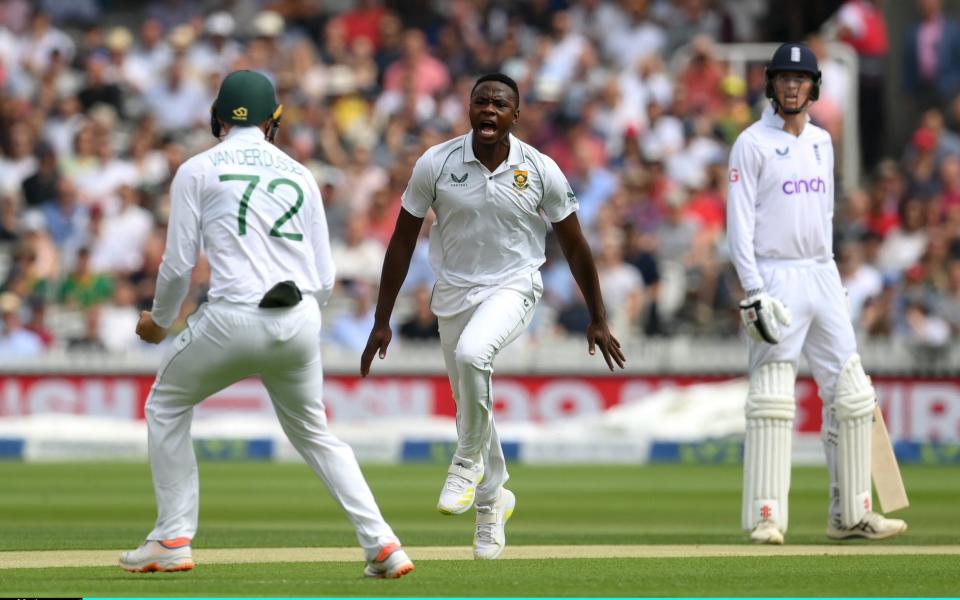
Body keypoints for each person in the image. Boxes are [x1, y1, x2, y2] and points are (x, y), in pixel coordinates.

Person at [120, 70, 413, 579]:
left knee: (165, 405)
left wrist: (161, 322)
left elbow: (177, 264)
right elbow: (324, 279)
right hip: (297, 319)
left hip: (231, 317)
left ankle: (172, 536)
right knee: (317, 435)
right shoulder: (301, 175)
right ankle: (384, 544)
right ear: (273, 120)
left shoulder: (197, 169)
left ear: (216, 117)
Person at [360, 73, 625, 560]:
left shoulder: (541, 170)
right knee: (470, 400)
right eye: (480, 101)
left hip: (514, 285)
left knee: (473, 353)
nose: (488, 110)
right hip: (453, 292)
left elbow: (575, 244)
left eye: (499, 104)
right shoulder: (435, 164)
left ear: (515, 115)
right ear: (469, 108)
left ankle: (464, 464)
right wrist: (382, 319)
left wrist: (598, 316)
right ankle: (492, 501)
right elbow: (401, 241)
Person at [727, 43, 907, 545]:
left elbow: (824, 217)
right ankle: (767, 516)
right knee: (772, 397)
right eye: (784, 78)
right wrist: (754, 289)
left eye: (800, 79)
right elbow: (738, 227)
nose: (792, 86)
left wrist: (830, 281)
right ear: (771, 84)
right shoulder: (751, 143)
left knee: (852, 395)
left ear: (813, 87)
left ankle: (851, 513)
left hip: (821, 273)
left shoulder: (824, 143)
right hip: (775, 274)